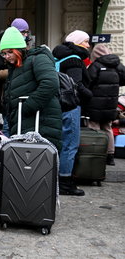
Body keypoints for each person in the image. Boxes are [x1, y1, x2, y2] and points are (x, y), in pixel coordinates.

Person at [0, 27, 62, 150]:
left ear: (19, 50)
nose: (6, 56)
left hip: (41, 123)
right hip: (27, 123)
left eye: (10, 52)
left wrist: (27, 107)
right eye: (4, 53)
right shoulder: (16, 66)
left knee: (39, 163)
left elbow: (50, 83)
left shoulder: (38, 58)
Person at [52, 30, 92, 196]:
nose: (88, 45)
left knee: (59, 143)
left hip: (57, 105)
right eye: (85, 42)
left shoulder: (58, 57)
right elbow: (76, 85)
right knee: (70, 144)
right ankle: (66, 182)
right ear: (76, 42)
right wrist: (90, 95)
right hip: (70, 105)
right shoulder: (74, 60)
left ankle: (56, 180)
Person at [85, 44, 125, 166]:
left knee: (94, 127)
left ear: (95, 55)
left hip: (95, 103)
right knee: (108, 128)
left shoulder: (95, 66)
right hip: (111, 103)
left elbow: (88, 82)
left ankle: (97, 154)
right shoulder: (118, 65)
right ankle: (110, 156)